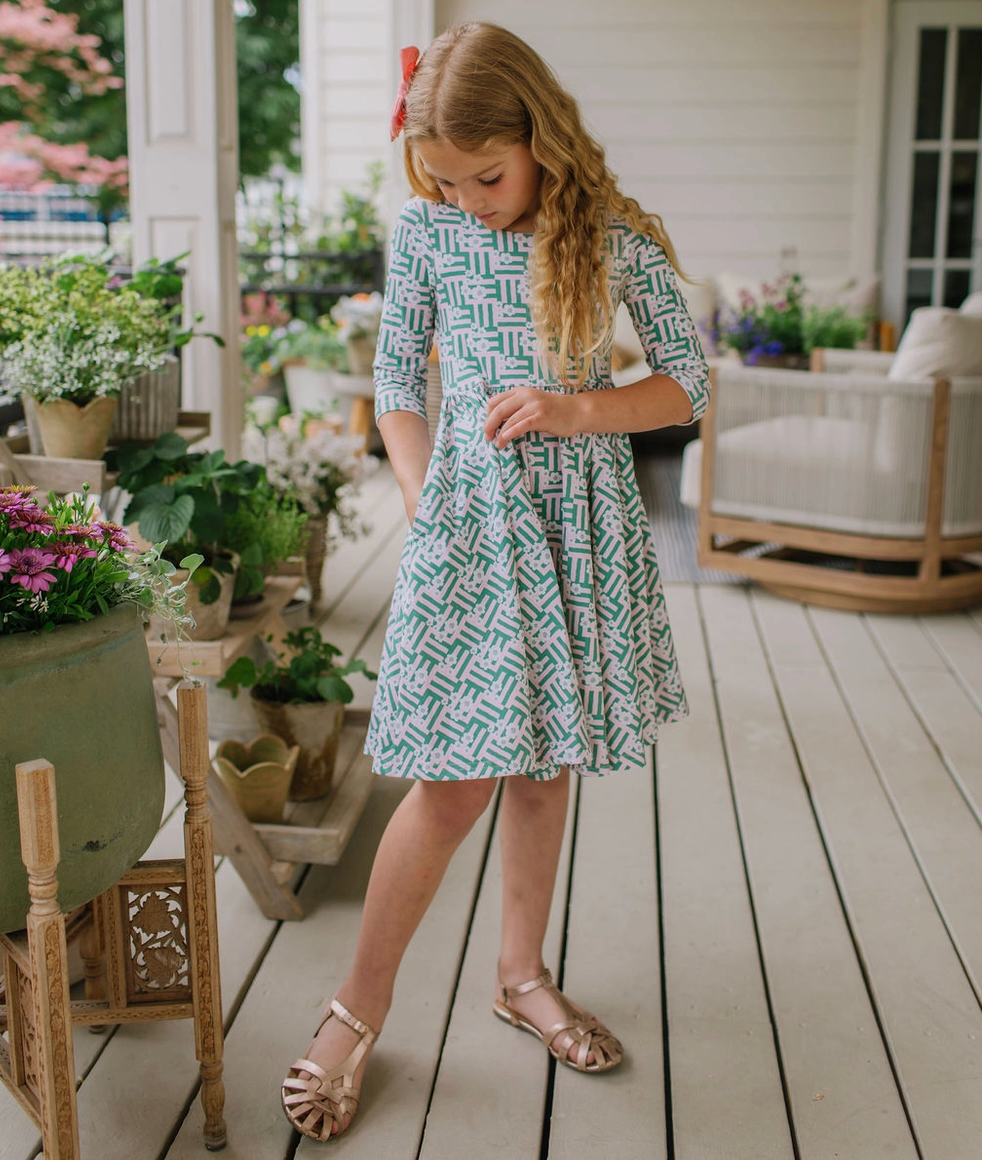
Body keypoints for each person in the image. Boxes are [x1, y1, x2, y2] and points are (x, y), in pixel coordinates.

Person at [281, 21, 710, 1142]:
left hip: (574, 526)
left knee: (542, 763)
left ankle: (522, 975)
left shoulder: (610, 236)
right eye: (445, 178)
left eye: (489, 175)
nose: (469, 199)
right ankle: (356, 1007)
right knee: (453, 782)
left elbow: (688, 384)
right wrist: (422, 492)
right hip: (469, 530)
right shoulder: (426, 233)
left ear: (541, 139)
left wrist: (576, 408)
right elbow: (395, 385)